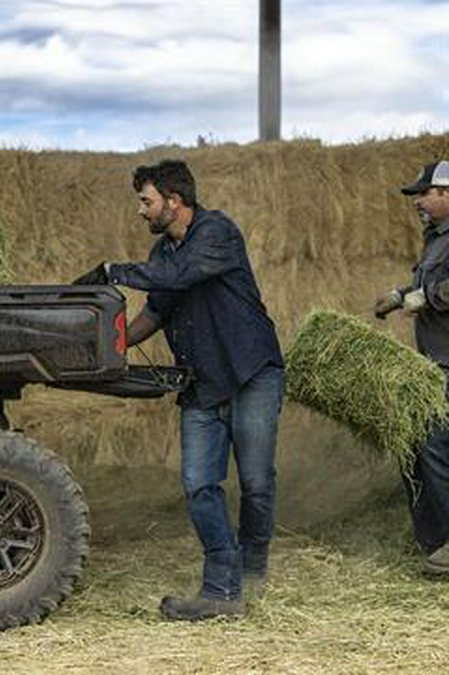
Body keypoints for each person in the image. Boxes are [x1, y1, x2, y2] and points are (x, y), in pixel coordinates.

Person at [73, 159, 284, 621]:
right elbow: (158, 309)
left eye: (146, 201)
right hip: (203, 383)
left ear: (174, 200)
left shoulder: (217, 234)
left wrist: (112, 271)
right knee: (198, 484)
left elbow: (180, 277)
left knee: (255, 481)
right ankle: (221, 589)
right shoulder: (161, 256)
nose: (140, 211)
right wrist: (113, 345)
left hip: (251, 373)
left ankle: (252, 570)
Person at [374, 160, 449, 576]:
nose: (417, 201)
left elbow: (441, 290)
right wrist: (400, 293)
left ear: (446, 192)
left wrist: (429, 298)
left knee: (436, 445)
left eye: (423, 193)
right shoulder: (435, 238)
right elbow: (425, 285)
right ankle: (435, 542)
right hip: (434, 364)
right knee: (413, 446)